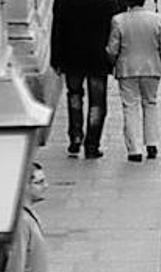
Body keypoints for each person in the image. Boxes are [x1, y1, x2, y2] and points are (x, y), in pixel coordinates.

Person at [51, 0, 123, 159]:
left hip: (72, 55)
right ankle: (92, 144)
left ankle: (75, 136)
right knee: (97, 103)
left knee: (74, 95)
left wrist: (56, 58)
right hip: (98, 57)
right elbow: (117, 22)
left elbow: (57, 27)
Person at [106, 0, 161, 163]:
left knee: (130, 106)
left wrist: (114, 63)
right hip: (152, 67)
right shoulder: (157, 19)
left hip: (127, 69)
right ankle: (152, 142)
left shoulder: (118, 20)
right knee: (150, 103)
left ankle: (134, 149)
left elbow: (112, 48)